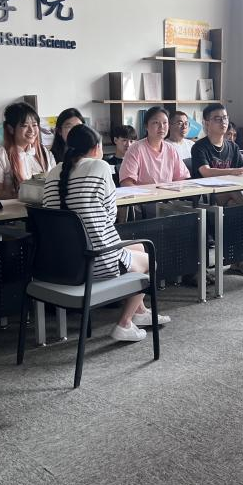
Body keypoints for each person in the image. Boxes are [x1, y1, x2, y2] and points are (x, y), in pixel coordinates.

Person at [42, 125, 169, 341]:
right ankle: (124, 324)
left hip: (63, 263)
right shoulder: (100, 167)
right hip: (95, 261)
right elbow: (111, 216)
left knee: (139, 247)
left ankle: (139, 311)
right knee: (150, 260)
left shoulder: (54, 172)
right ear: (96, 148)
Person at [191, 103, 243, 277]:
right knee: (236, 196)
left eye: (225, 118)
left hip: (229, 197)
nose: (223, 122)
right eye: (217, 119)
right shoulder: (199, 146)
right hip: (207, 196)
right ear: (206, 123)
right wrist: (232, 171)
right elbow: (205, 172)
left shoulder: (232, 146)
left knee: (234, 205)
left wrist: (237, 173)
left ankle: (238, 260)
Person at [0, 103, 54, 200]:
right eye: (25, 125)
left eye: (34, 125)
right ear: (10, 129)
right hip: (14, 208)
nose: (31, 130)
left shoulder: (43, 151)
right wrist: (25, 195)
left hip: (44, 205)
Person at [119, 107, 190, 187]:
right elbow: (126, 183)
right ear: (146, 126)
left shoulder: (171, 149)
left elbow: (181, 178)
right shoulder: (135, 149)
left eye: (165, 123)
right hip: (144, 194)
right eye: (156, 123)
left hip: (168, 194)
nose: (161, 127)